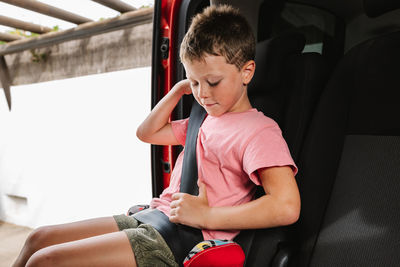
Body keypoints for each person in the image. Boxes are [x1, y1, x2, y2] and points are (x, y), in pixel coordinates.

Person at [13, 5, 300, 267]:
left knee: (46, 261)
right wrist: (177, 90)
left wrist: (206, 216)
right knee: (38, 239)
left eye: (213, 82)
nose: (202, 93)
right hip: (153, 216)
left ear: (247, 71)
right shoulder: (204, 118)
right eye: (195, 82)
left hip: (181, 238)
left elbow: (286, 206)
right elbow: (146, 133)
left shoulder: (258, 131)